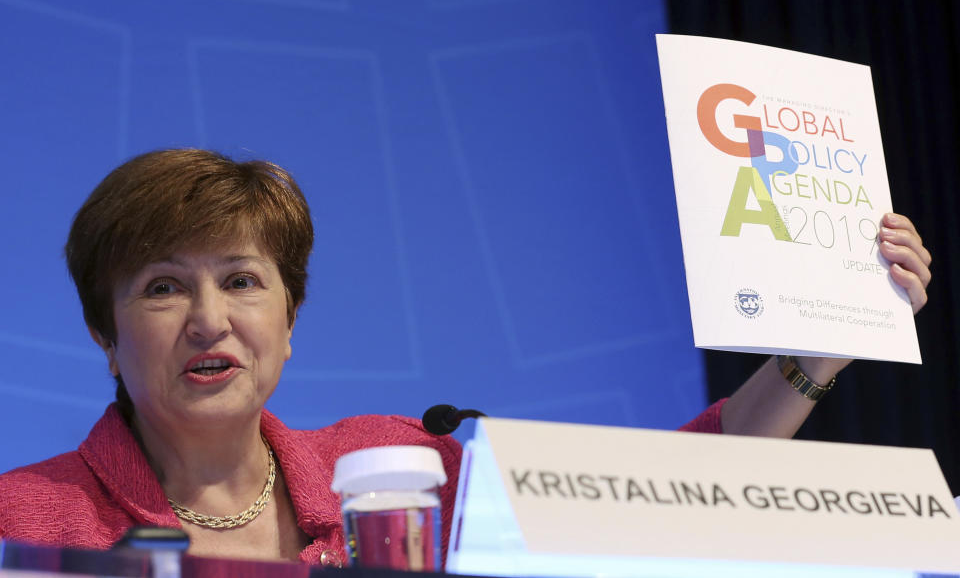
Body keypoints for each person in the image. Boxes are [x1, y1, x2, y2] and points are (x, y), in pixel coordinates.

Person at [0, 149, 932, 566]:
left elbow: (667, 494)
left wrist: (819, 352)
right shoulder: (26, 519)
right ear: (104, 332)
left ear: (290, 319)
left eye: (242, 281)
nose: (209, 319)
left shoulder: (401, 471)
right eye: (163, 287)